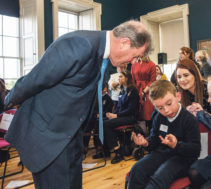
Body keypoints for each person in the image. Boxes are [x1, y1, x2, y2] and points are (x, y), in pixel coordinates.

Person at [2, 20, 152, 189]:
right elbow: (36, 79)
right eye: (134, 56)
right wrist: (5, 102)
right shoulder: (81, 44)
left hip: (71, 136)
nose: (132, 62)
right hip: (50, 138)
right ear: (125, 43)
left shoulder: (99, 53)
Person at [128, 80, 200, 189]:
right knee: (137, 170)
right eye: (160, 108)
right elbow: (154, 141)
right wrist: (146, 143)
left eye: (169, 104)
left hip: (182, 159)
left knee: (160, 176)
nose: (166, 110)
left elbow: (195, 149)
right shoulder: (158, 118)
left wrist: (177, 145)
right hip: (161, 154)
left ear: (178, 96)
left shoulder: (189, 119)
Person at [103, 71, 139, 164]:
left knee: (105, 124)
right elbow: (118, 106)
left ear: (127, 78)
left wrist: (116, 115)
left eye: (121, 77)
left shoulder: (133, 91)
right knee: (101, 121)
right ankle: (105, 151)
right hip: (122, 116)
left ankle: (118, 152)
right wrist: (112, 115)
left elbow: (131, 109)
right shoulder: (123, 90)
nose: (119, 78)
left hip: (130, 117)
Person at [131, 56, 156, 129]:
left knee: (148, 112)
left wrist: (144, 91)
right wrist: (136, 92)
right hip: (136, 90)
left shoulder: (152, 64)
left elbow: (152, 81)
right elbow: (133, 80)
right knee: (137, 113)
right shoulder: (134, 65)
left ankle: (151, 133)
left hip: (148, 91)